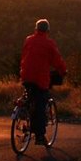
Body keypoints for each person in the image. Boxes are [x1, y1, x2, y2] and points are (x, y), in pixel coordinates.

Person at [19, 18, 68, 147]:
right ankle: (40, 136)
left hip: (26, 76)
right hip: (40, 78)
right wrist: (63, 71)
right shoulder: (49, 43)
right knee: (41, 102)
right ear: (47, 31)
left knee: (29, 98)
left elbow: (24, 56)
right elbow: (57, 60)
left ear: (36, 29)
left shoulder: (28, 40)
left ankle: (26, 118)